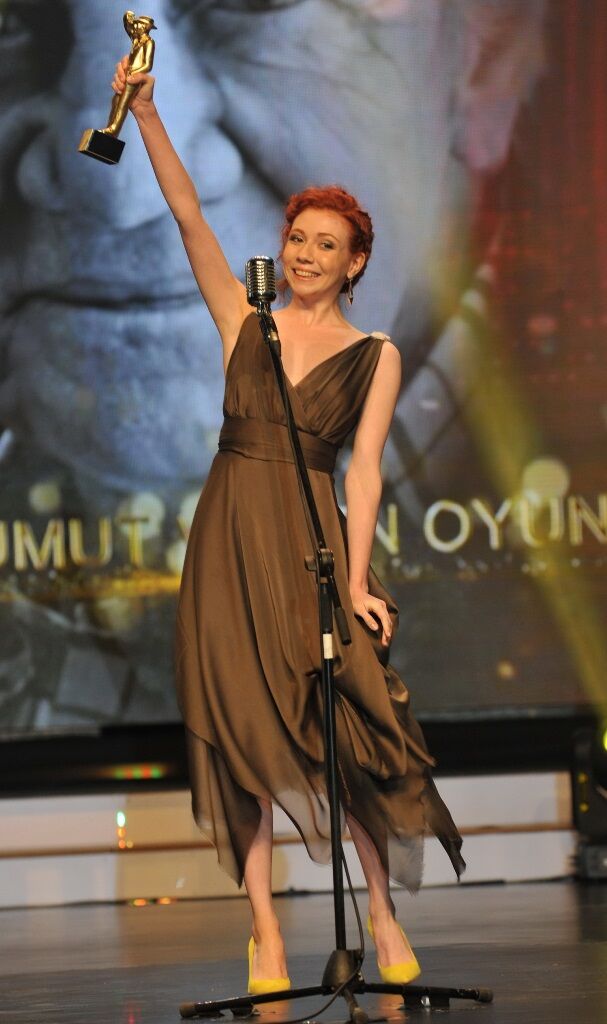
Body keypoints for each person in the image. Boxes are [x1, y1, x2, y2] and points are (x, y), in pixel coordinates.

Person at [111, 53, 465, 991]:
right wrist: (145, 115)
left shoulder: (374, 353)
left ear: (355, 262)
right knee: (238, 739)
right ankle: (263, 931)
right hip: (229, 539)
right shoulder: (246, 321)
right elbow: (189, 213)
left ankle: (380, 914)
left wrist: (355, 580)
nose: (305, 253)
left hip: (311, 545)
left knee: (346, 733)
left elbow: (367, 472)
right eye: (297, 238)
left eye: (325, 243)